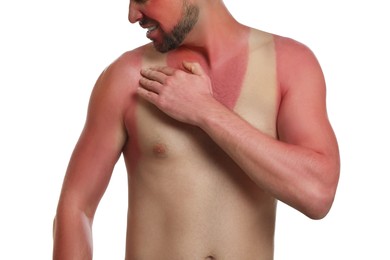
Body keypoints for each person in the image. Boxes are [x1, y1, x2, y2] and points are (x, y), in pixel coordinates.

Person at [53, 0, 340, 259]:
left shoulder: (289, 64)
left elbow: (317, 194)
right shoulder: (128, 77)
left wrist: (205, 111)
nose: (132, 15)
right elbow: (75, 207)